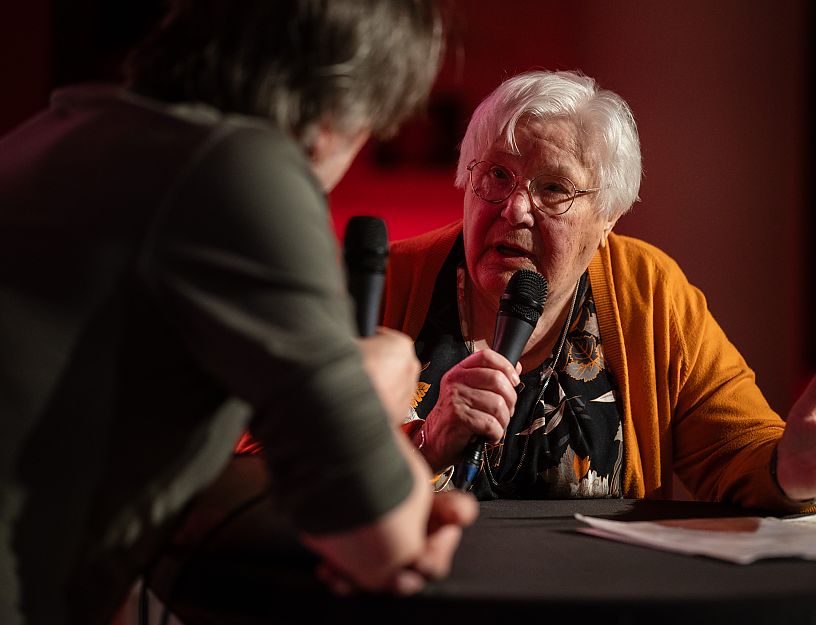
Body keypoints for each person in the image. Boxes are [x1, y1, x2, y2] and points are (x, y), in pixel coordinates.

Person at [0, 1, 478, 624]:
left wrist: (364, 496)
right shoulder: (237, 170)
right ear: (338, 109)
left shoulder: (55, 131)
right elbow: (379, 545)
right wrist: (378, 403)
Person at [384, 69, 816, 509]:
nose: (514, 209)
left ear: (608, 218)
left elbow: (734, 448)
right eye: (497, 174)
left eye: (554, 188)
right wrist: (426, 444)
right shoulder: (388, 285)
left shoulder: (648, 293)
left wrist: (790, 469)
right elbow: (314, 469)